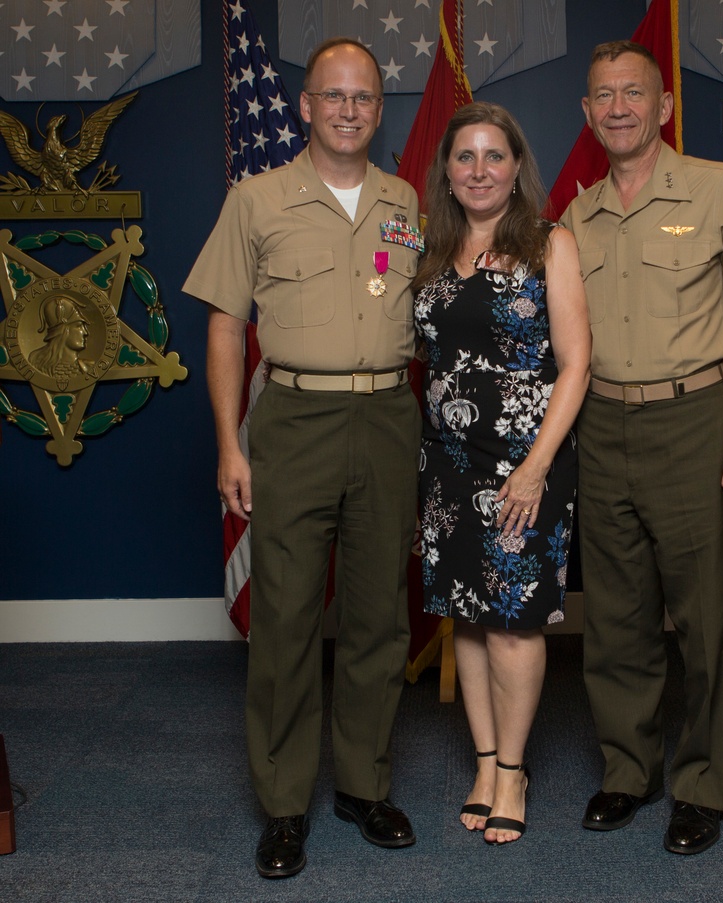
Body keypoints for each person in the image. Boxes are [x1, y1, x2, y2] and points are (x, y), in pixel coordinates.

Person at [183, 38, 423, 878]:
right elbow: (222, 322)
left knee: (376, 614)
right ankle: (286, 804)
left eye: (363, 97)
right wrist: (227, 442)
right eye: (333, 95)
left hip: (391, 415)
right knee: (285, 617)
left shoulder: (405, 199)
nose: (349, 109)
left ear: (377, 108)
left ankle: (363, 783)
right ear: (305, 106)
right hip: (291, 417)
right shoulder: (257, 198)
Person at [560, 41, 723, 856]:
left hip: (696, 421)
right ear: (587, 115)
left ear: (662, 108)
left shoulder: (719, 188)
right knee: (615, 620)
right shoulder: (573, 219)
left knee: (704, 620)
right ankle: (628, 772)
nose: (618, 107)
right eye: (603, 96)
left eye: (634, 93)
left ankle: (700, 785)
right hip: (603, 425)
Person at [413, 102, 591, 845]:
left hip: (528, 464)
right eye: (465, 157)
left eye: (494, 156)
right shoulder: (427, 250)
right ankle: (484, 763)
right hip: (447, 464)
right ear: (447, 174)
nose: (479, 170)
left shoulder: (552, 244)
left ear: (517, 168)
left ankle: (514, 771)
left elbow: (577, 363)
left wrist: (536, 467)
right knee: (467, 614)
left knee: (515, 621)